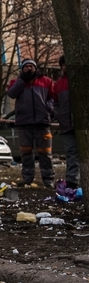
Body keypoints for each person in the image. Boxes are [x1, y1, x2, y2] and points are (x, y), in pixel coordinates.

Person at [6, 58, 55, 189]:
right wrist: (22, 80)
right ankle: (27, 178)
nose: (29, 68)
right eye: (26, 66)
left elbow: (53, 97)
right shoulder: (16, 82)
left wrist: (48, 108)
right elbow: (11, 93)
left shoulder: (47, 81)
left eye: (31, 66)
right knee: (26, 153)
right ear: (22, 69)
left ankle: (48, 179)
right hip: (24, 123)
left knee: (45, 153)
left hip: (42, 122)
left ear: (35, 68)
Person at [53, 56, 80, 196]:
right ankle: (72, 181)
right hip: (67, 124)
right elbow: (54, 102)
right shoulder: (59, 84)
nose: (66, 67)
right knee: (71, 154)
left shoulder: (82, 80)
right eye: (63, 64)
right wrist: (59, 114)